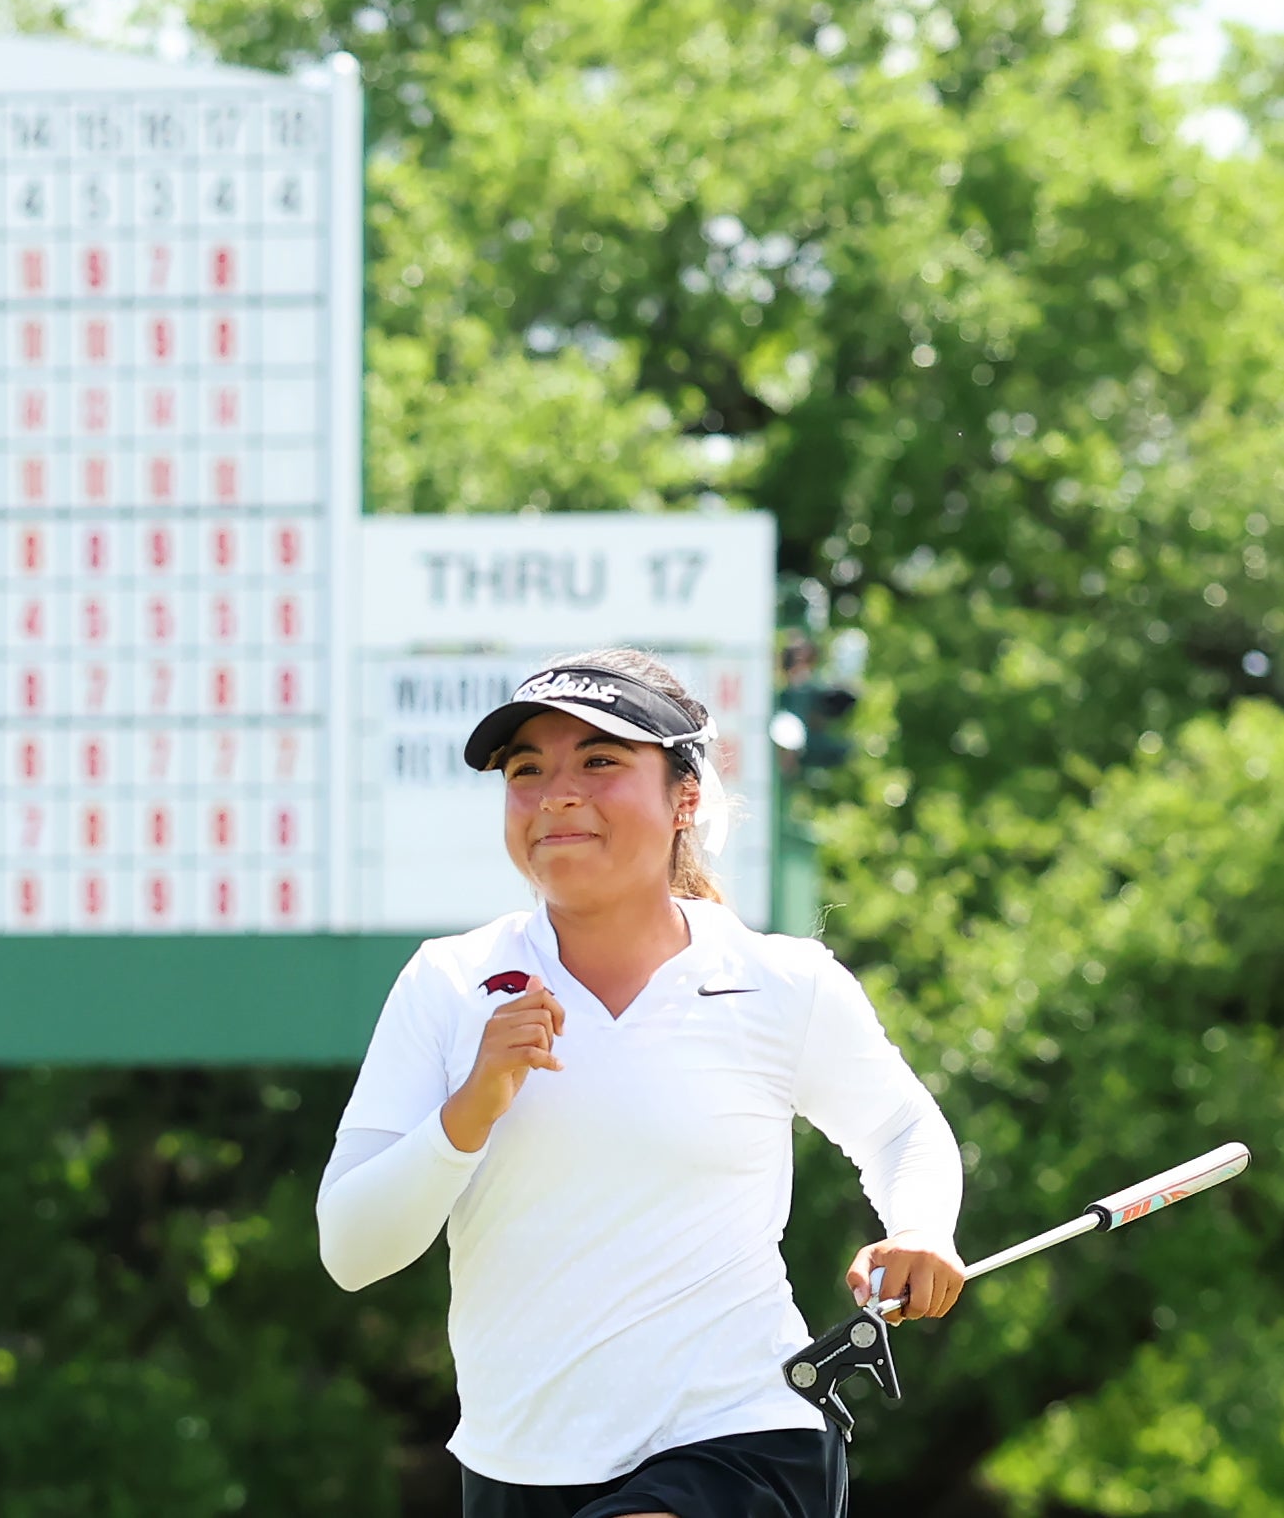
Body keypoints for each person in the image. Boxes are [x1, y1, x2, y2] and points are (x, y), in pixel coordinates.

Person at [318, 648, 963, 1518]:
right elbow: (352, 1251)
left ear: (684, 797)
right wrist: (470, 1108)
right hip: (517, 1465)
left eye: (598, 761)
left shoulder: (780, 981)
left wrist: (919, 1229)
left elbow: (898, 1130)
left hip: (741, 1436)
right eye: (526, 770)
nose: (556, 794)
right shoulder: (447, 982)